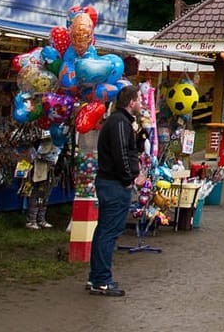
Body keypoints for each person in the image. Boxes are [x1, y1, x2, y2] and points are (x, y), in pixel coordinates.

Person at [88, 84, 141, 297]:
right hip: (114, 184)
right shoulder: (120, 123)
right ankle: (102, 280)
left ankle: (96, 277)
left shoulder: (119, 121)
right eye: (139, 100)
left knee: (104, 231)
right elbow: (121, 154)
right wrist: (128, 179)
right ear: (131, 102)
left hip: (109, 182)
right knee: (109, 232)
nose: (141, 104)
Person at [24, 136, 58, 229]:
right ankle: (31, 220)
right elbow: (40, 154)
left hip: (48, 171)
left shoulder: (55, 141)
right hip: (38, 171)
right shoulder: (39, 142)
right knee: (36, 195)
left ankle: (41, 219)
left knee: (45, 196)